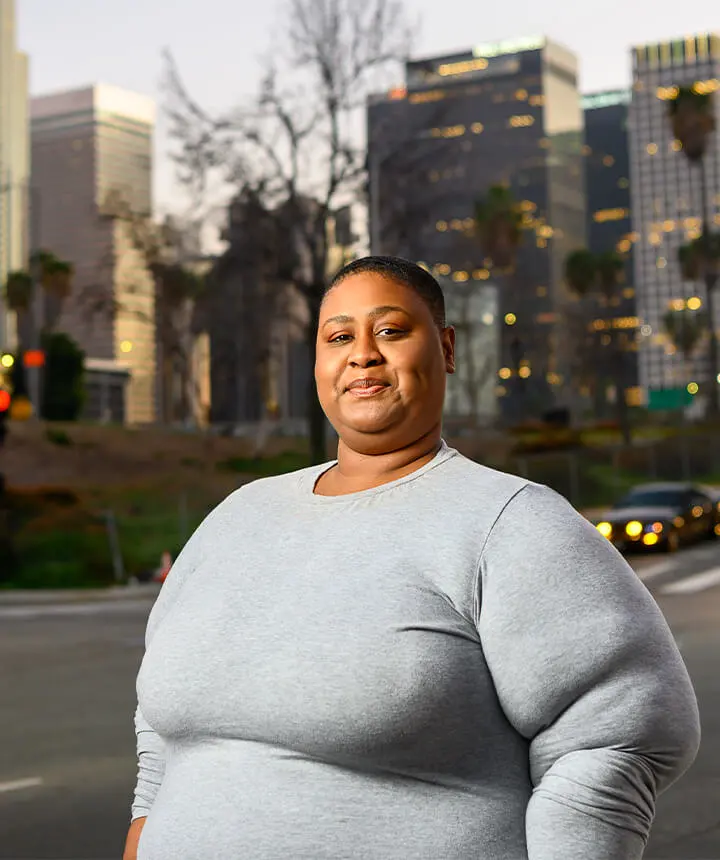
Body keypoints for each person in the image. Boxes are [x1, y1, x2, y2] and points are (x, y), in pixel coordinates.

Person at [124, 255, 700, 860]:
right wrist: (142, 832)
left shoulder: (512, 523)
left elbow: (621, 731)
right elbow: (161, 727)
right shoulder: (237, 516)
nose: (363, 355)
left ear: (446, 348)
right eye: (339, 337)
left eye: (390, 331)